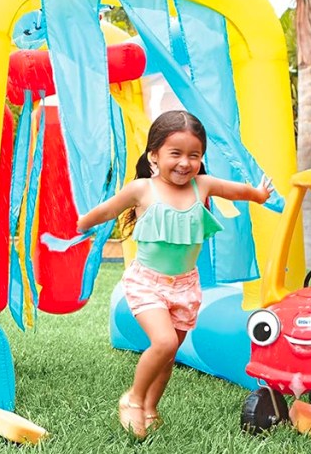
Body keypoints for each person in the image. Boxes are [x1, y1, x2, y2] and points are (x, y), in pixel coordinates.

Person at [75, 110, 273, 438]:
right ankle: (134, 399)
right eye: (175, 154)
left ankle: (151, 408)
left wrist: (258, 195)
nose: (184, 163)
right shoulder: (142, 189)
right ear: (154, 156)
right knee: (164, 341)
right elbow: (108, 210)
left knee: (168, 357)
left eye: (193, 155)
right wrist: (80, 224)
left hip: (185, 286)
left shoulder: (202, 186)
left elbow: (234, 190)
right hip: (148, 283)